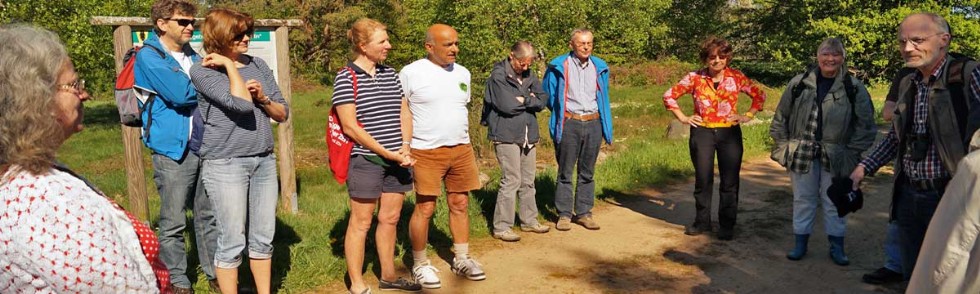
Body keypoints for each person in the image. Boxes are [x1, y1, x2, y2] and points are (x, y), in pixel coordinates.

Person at [0, 24, 169, 292]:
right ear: (36, 99)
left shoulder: (24, 177)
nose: (85, 94)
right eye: (74, 85)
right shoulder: (49, 201)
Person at [850, 12, 980, 280]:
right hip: (908, 195)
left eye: (918, 40)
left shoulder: (969, 75)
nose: (908, 48)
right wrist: (863, 167)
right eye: (902, 42)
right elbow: (896, 137)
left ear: (944, 40)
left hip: (951, 196)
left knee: (949, 278)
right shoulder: (909, 82)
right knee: (914, 275)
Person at [190, 8, 289, 294]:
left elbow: (281, 113)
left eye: (249, 32)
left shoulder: (257, 64)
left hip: (263, 160)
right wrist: (232, 68)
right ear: (220, 37)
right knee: (232, 239)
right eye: (239, 34)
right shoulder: (202, 70)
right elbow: (241, 105)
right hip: (225, 163)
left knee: (263, 238)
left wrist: (263, 97)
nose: (247, 38)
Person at [134, 0, 219, 292]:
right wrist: (209, 82)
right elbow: (181, 94)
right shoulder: (149, 56)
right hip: (172, 149)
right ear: (162, 24)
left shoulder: (191, 55)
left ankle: (215, 274)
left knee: (207, 215)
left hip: (202, 146)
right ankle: (178, 281)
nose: (190, 27)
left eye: (191, 22)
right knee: (172, 221)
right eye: (183, 22)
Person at [769, 38, 877, 265]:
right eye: (825, 54)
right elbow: (780, 118)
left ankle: (837, 246)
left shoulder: (853, 87)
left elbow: (866, 125)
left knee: (834, 201)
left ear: (842, 58)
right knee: (803, 200)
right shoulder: (799, 84)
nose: (830, 59)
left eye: (835, 54)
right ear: (817, 57)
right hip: (801, 152)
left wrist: (852, 152)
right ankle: (800, 244)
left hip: (837, 156)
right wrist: (783, 147)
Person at [333, 18, 421, 294]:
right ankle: (356, 283)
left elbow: (403, 110)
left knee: (391, 218)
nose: (389, 46)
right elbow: (350, 126)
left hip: (399, 157)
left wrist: (405, 146)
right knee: (361, 222)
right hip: (366, 159)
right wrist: (387, 153)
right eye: (382, 41)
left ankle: (389, 276)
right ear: (363, 45)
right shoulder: (346, 76)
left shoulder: (390, 73)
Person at [401, 23, 485, 289]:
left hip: (461, 148)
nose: (455, 49)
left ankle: (462, 258)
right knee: (425, 207)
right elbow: (403, 111)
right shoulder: (411, 73)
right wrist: (405, 145)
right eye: (448, 44)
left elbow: (458, 107)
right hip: (425, 150)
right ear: (429, 46)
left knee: (460, 203)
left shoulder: (463, 73)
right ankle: (420, 263)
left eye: (456, 43)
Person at [662, 36, 766, 240]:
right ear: (705, 58)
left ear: (728, 58)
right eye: (712, 56)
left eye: (721, 56)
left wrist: (747, 116)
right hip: (702, 132)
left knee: (729, 180)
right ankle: (702, 222)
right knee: (703, 178)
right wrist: (683, 117)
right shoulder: (694, 78)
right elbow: (669, 95)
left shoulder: (736, 77)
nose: (717, 60)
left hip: (729, 133)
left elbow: (759, 95)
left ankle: (727, 224)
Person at [541, 28, 614, 231]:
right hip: (569, 122)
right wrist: (562, 113)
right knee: (565, 171)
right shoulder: (558, 66)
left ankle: (584, 213)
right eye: (581, 43)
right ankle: (564, 214)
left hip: (593, 122)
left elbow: (603, 95)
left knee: (587, 171)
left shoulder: (600, 67)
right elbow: (548, 94)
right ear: (571, 45)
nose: (586, 47)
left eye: (589, 43)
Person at [483, 41, 551, 242]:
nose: (525, 67)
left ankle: (529, 221)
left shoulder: (529, 75)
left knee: (528, 180)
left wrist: (526, 100)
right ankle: (502, 226)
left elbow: (543, 100)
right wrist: (528, 99)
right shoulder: (498, 76)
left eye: (528, 63)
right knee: (511, 179)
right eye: (522, 62)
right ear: (511, 56)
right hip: (505, 134)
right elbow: (506, 106)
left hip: (529, 133)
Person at [907, 130, 980, 293]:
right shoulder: (906, 104)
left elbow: (949, 259)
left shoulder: (975, 168)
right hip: (910, 190)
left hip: (942, 192)